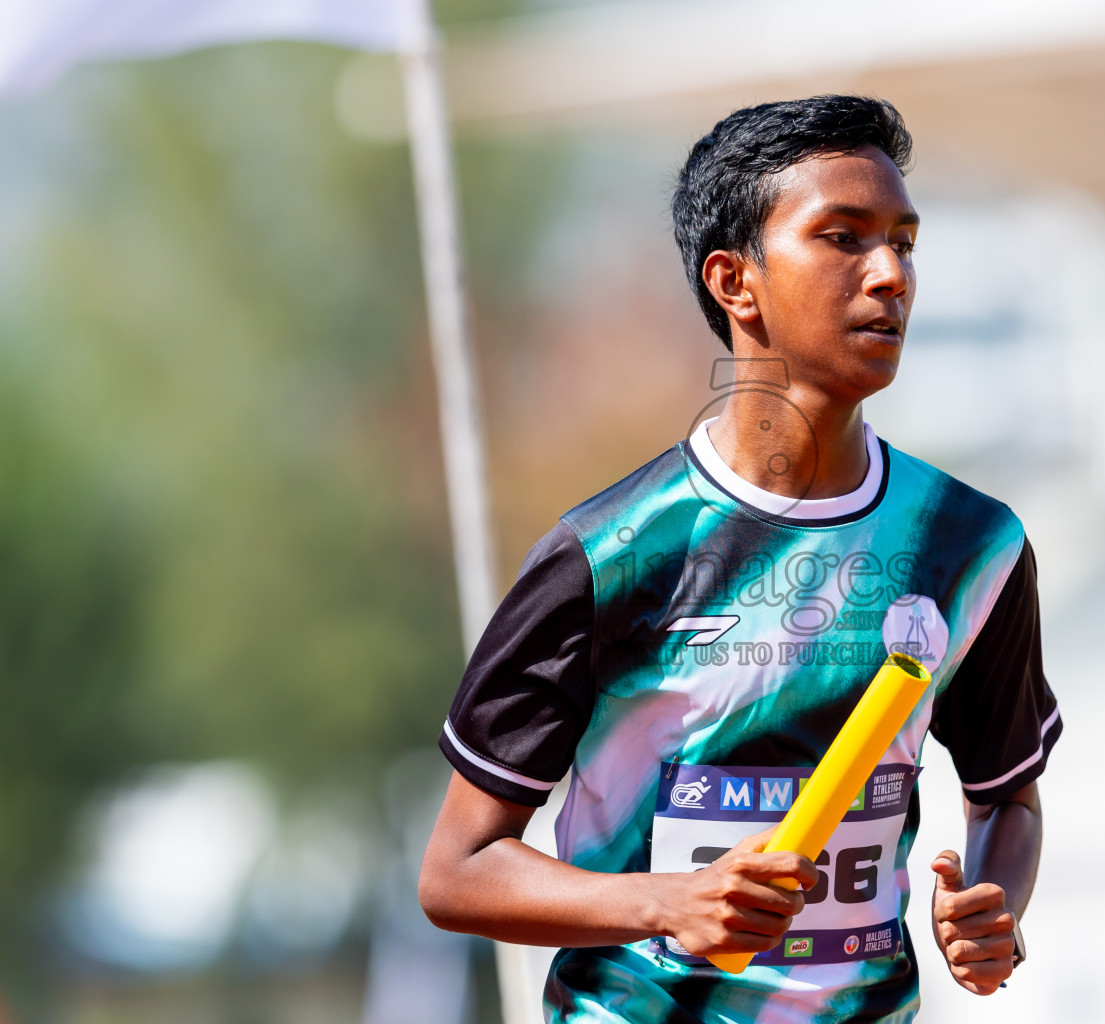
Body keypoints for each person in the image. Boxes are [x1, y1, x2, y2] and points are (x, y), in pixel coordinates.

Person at [417, 95, 1062, 1024]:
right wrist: (665, 903)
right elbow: (458, 872)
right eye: (842, 237)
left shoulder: (973, 547)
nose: (890, 275)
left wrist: (993, 908)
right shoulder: (608, 555)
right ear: (736, 283)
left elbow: (1010, 799)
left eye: (905, 243)